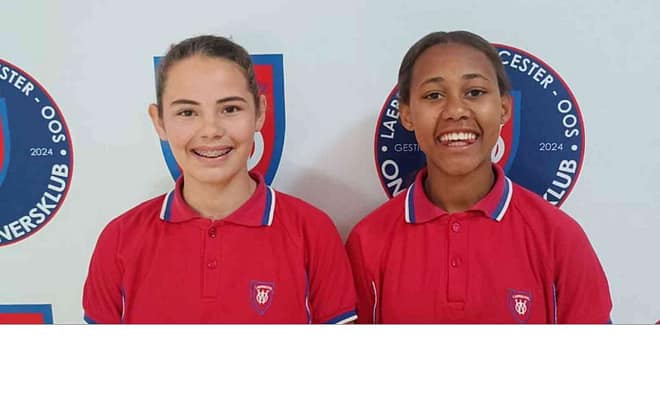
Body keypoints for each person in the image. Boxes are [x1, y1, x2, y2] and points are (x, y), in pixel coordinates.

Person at [83, 35, 356, 324]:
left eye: (230, 109)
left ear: (260, 112)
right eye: (187, 112)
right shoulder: (120, 240)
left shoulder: (312, 232)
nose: (211, 130)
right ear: (159, 121)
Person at [346, 30, 612, 323]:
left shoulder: (559, 239)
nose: (456, 111)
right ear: (407, 114)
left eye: (474, 92)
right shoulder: (368, 242)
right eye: (434, 95)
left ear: (504, 108)